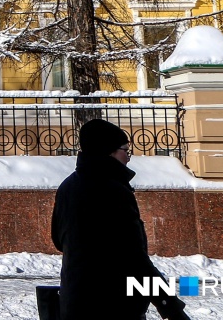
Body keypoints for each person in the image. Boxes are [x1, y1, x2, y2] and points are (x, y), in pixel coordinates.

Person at [51, 118, 189, 320]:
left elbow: (58, 240)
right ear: (109, 152)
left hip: (75, 303)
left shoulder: (67, 186)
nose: (129, 157)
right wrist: (170, 307)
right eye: (125, 150)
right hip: (113, 306)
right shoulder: (113, 190)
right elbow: (133, 258)